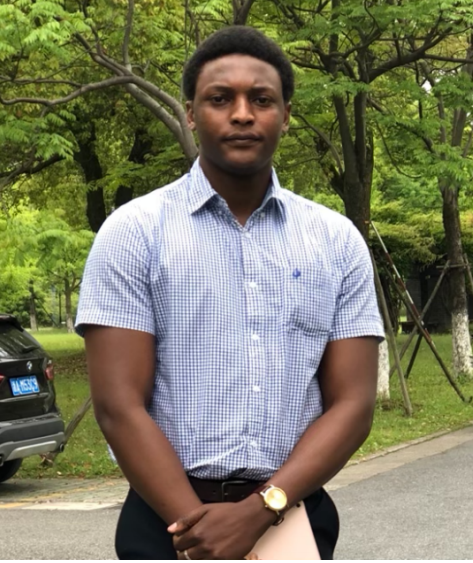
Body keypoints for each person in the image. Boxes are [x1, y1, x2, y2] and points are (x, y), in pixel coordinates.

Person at [75, 25, 384, 560]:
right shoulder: (133, 233)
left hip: (292, 516)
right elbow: (118, 405)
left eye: (261, 100)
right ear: (192, 114)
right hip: (165, 523)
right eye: (220, 99)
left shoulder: (336, 242)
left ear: (286, 115)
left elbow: (353, 403)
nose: (242, 114)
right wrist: (200, 532)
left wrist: (262, 509)